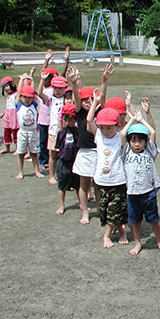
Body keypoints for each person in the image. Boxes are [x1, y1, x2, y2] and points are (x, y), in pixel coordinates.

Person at [67, 65, 114, 225]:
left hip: (99, 152)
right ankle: (85, 211)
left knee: (98, 184)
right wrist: (74, 83)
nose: (88, 102)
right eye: (85, 99)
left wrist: (104, 80)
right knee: (83, 184)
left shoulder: (100, 110)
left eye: (90, 99)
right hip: (85, 152)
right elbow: (76, 97)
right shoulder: (80, 112)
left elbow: (103, 95)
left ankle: (101, 210)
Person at [120, 99, 160, 256]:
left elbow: (152, 132)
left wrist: (142, 120)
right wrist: (132, 119)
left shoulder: (150, 151)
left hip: (148, 192)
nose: (137, 144)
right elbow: (122, 134)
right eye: (134, 141)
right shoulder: (126, 153)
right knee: (136, 221)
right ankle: (138, 242)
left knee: (153, 219)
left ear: (145, 142)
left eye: (140, 140)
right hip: (132, 193)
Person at [86, 93, 127, 248]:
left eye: (108, 128)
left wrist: (131, 112)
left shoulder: (120, 137)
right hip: (101, 181)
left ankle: (107, 236)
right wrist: (95, 103)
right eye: (102, 127)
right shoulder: (98, 136)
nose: (105, 131)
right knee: (104, 208)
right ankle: (121, 231)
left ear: (116, 126)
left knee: (115, 209)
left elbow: (125, 129)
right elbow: (89, 121)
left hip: (118, 180)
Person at [37, 74, 69, 184]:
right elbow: (40, 93)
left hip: (67, 132)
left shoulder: (68, 100)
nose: (57, 91)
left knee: (67, 155)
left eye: (60, 88)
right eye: (55, 88)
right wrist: (42, 79)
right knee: (53, 155)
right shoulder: (51, 100)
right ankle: (51, 176)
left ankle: (67, 177)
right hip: (54, 132)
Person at [14, 74, 44, 180]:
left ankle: (36, 170)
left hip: (33, 131)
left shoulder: (34, 104)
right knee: (21, 152)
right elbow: (18, 93)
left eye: (29, 97)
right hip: (22, 131)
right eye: (25, 97)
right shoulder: (19, 105)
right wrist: (22, 80)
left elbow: (34, 92)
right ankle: (20, 171)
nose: (27, 99)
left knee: (34, 152)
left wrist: (31, 80)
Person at [55, 103, 80, 215]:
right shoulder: (61, 132)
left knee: (78, 185)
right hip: (63, 162)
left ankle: (81, 203)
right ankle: (61, 205)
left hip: (75, 162)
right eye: (65, 118)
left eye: (71, 119)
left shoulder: (78, 132)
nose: (68, 121)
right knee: (62, 185)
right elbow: (57, 147)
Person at [0, 76, 19, 155]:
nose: (6, 88)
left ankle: (18, 148)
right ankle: (7, 147)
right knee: (6, 132)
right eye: (4, 87)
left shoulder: (16, 95)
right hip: (7, 116)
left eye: (7, 86)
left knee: (15, 132)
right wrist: (3, 113)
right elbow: (8, 107)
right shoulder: (8, 96)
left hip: (14, 116)